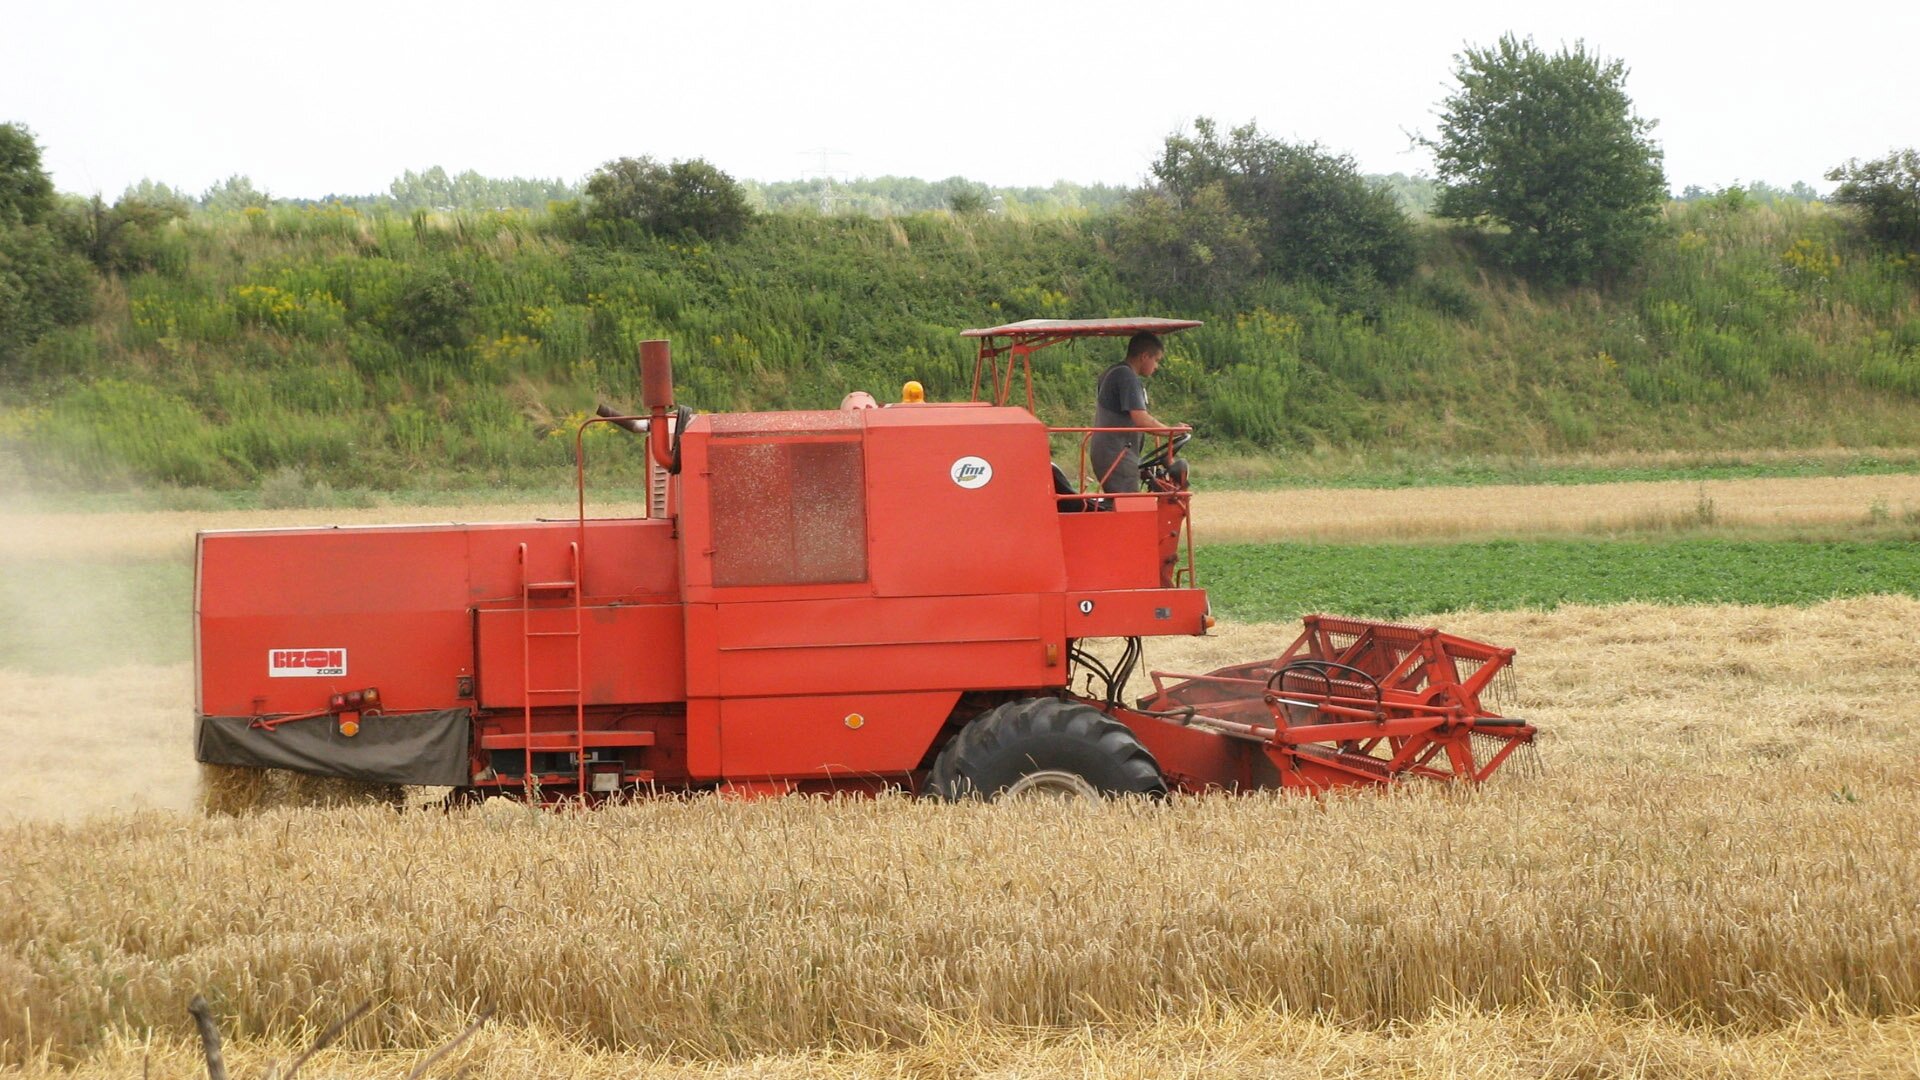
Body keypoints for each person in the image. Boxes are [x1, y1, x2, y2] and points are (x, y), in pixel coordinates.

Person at [1089, 332, 1174, 494]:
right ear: (1144, 356)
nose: (1156, 366)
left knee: (1121, 505)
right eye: (1156, 360)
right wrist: (1171, 431)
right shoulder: (1127, 377)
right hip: (1118, 455)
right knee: (1129, 507)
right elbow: (1141, 419)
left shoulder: (1112, 372)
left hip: (1109, 452)